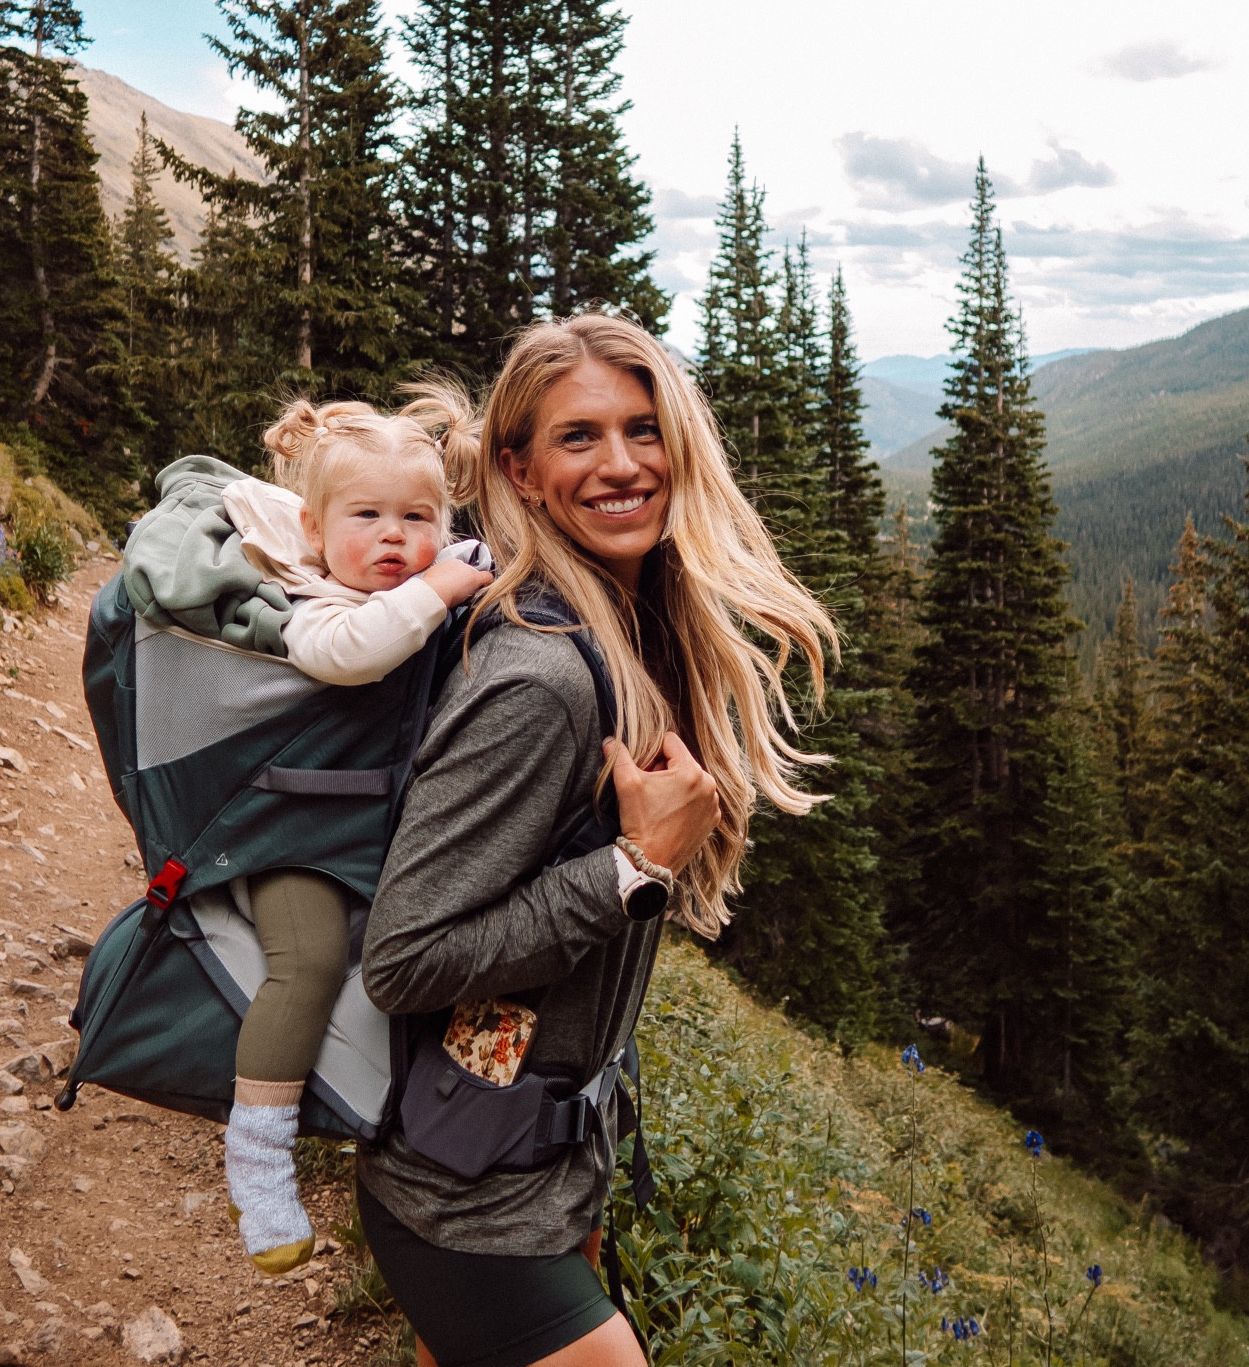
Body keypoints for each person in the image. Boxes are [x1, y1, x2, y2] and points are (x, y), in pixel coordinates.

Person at [359, 315, 836, 1367]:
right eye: (577, 438)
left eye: (640, 427)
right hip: (464, 1205)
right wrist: (631, 866)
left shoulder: (610, 637)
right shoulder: (541, 678)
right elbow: (404, 956)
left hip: (521, 1173)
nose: (621, 464)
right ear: (519, 473)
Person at [220, 396, 493, 1275]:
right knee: (308, 968)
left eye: (416, 519)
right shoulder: (306, 601)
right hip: (289, 836)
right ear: (314, 526)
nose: (392, 538)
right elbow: (350, 656)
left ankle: (386, 1133)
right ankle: (258, 1157)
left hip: (363, 828)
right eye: (366, 517)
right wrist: (440, 583)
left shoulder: (410, 575)